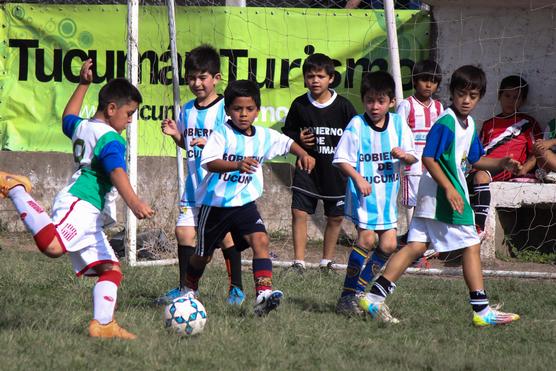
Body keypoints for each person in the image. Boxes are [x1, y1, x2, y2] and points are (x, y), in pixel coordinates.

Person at [0, 59, 154, 339]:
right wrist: (134, 202)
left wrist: (83, 84)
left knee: (111, 269)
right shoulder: (112, 139)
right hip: (81, 202)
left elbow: (67, 119)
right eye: (129, 114)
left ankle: (103, 324)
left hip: (89, 212)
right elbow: (117, 172)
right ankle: (15, 188)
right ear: (111, 109)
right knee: (53, 246)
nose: (130, 120)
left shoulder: (83, 127)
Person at [360, 65, 521, 326]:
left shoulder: (468, 124)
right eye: (461, 94)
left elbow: (476, 159)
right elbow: (428, 157)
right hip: (442, 194)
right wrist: (448, 188)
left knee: (416, 246)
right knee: (471, 243)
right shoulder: (446, 122)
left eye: (473, 96)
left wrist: (502, 163)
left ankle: (374, 298)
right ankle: (481, 311)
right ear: (452, 93)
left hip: (433, 194)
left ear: (480, 97)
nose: (466, 101)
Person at [180, 80, 315, 316]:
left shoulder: (263, 136)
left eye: (249, 109)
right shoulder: (222, 134)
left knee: (261, 240)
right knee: (203, 256)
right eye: (237, 109)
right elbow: (209, 162)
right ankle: (188, 290)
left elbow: (286, 142)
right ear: (227, 111)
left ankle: (263, 294)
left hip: (244, 203)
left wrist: (303, 154)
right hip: (216, 205)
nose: (243, 114)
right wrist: (237, 164)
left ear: (257, 111)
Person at [156, 44, 244, 305]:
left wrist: (213, 147)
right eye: (192, 77)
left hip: (218, 186)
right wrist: (177, 137)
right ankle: (186, 289)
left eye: (202, 77)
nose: (197, 83)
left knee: (225, 236)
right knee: (183, 233)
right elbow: (188, 143)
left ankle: (236, 288)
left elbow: (234, 144)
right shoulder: (186, 110)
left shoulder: (224, 110)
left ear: (216, 78)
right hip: (194, 185)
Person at [333, 71, 417, 315]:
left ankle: (359, 291)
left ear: (391, 102)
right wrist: (358, 178)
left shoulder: (399, 124)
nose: (374, 106)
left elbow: (413, 155)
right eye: (369, 100)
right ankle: (347, 296)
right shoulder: (357, 124)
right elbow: (341, 159)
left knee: (389, 245)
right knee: (367, 240)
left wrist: (405, 155)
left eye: (380, 101)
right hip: (364, 196)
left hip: (387, 198)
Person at [281, 53, 357, 273]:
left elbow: (355, 134)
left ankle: (327, 261)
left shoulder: (343, 106)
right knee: (299, 212)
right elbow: (288, 132)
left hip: (335, 172)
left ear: (331, 79)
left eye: (320, 76)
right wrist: (298, 138)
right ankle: (298, 262)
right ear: (305, 79)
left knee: (335, 216)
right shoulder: (300, 105)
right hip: (307, 170)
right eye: (310, 76)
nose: (315, 80)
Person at [468, 75, 542, 237]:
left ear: (523, 101)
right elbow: (480, 152)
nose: (511, 101)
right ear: (499, 96)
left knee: (480, 177)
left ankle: (479, 227)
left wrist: (524, 169)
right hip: (485, 164)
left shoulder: (527, 123)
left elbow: (537, 152)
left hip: (506, 166)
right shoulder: (489, 124)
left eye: (516, 97)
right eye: (507, 96)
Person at [396, 60, 443, 246]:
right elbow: (398, 131)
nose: (429, 85)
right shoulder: (406, 105)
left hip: (432, 162)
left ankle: (415, 240)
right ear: (415, 81)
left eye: (433, 81)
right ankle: (413, 240)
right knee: (415, 203)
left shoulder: (439, 107)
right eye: (424, 80)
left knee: (429, 201)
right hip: (413, 161)